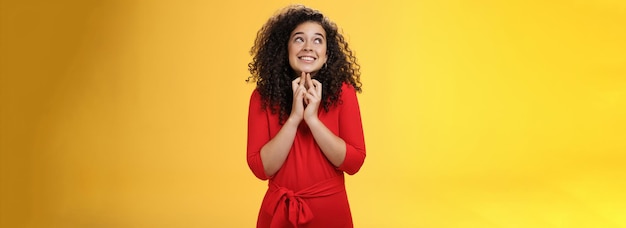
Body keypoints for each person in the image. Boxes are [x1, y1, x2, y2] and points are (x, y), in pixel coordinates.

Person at [246, 4, 366, 228]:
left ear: (327, 53)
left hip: (331, 214)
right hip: (279, 214)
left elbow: (354, 162)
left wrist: (312, 120)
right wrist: (293, 119)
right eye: (299, 39)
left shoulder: (344, 93)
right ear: (286, 49)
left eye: (318, 40)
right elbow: (261, 169)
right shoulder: (261, 97)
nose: (309, 47)